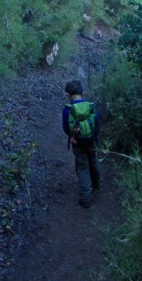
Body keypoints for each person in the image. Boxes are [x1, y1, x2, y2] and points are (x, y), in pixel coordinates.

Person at [62, 80, 100, 208]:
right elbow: (97, 124)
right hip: (92, 141)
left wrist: (73, 136)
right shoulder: (91, 106)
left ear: (68, 95)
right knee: (93, 161)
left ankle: (85, 199)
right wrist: (95, 138)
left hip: (77, 143)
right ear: (83, 93)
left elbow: (66, 128)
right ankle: (96, 184)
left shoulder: (68, 110)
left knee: (83, 167)